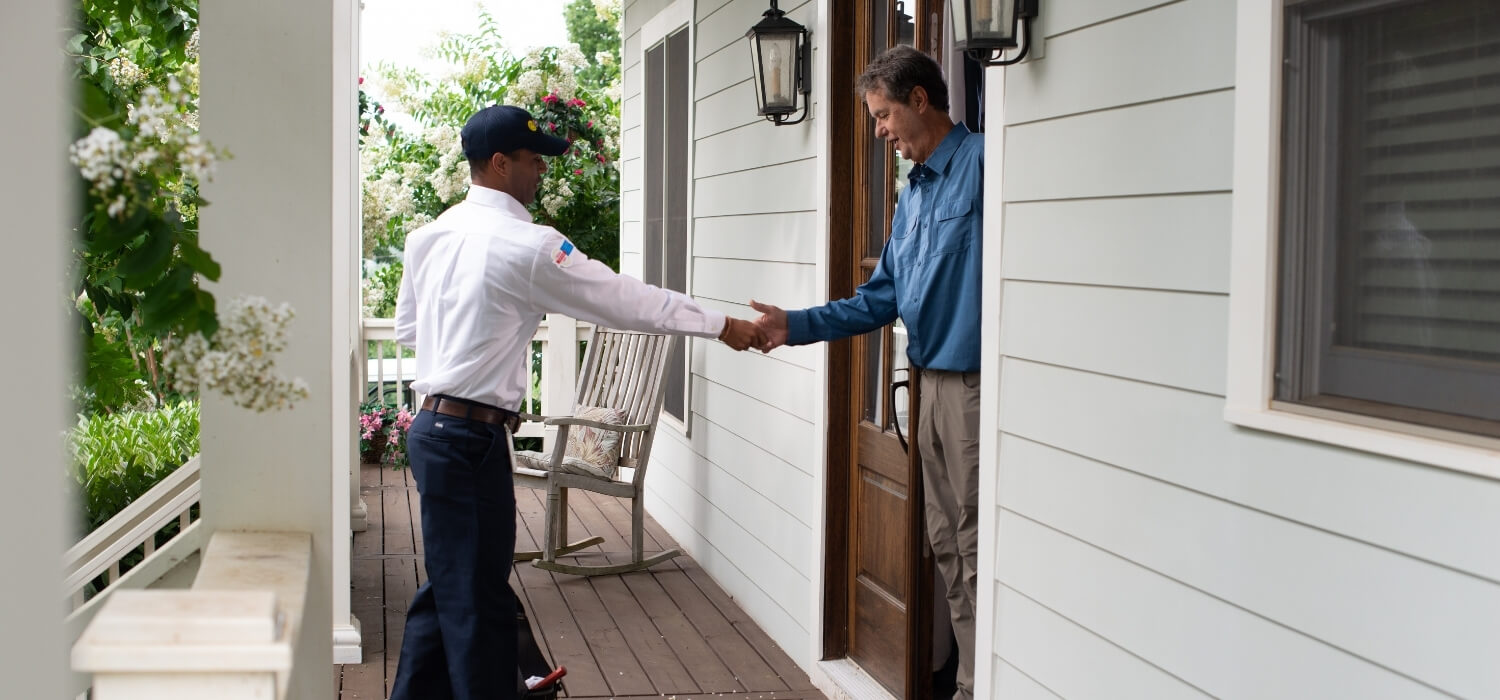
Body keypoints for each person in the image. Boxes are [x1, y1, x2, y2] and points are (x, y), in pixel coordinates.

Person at [391, 103, 764, 700]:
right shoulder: (530, 246)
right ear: (498, 162)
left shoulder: (426, 237)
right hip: (467, 441)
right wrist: (719, 324)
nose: (542, 171)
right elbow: (625, 300)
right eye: (533, 160)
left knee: (455, 584)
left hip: (436, 431)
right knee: (478, 602)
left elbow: (409, 330)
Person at [750, 45, 983, 700]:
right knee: (946, 545)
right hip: (929, 386)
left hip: (975, 389)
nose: (879, 132)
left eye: (883, 116)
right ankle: (969, 684)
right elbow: (881, 299)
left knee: (976, 541)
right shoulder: (912, 199)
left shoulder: (987, 166)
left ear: (919, 100)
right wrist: (792, 325)